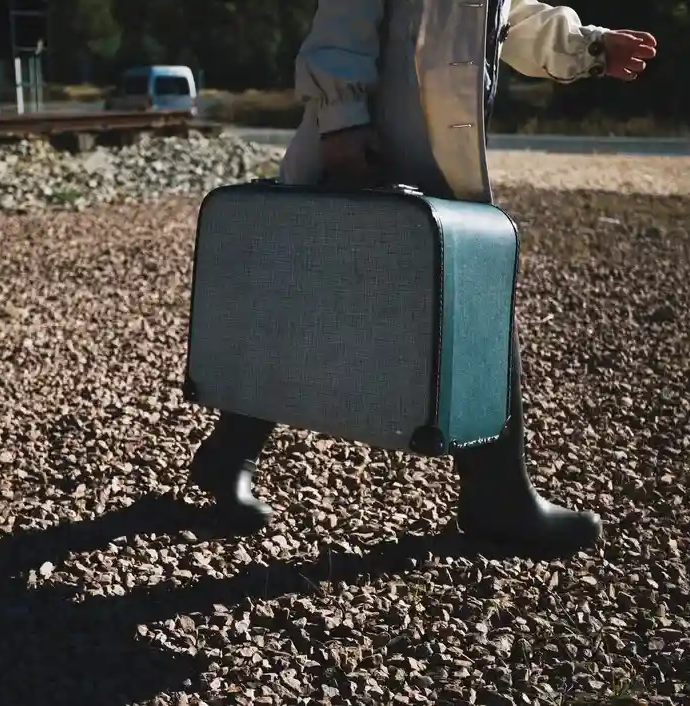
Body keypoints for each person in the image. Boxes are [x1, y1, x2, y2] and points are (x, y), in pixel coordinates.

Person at [189, 0, 657, 554]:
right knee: (319, 300)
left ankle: (495, 492)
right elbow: (346, 16)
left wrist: (589, 45)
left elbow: (513, 17)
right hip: (370, 144)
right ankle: (495, 495)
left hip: (430, 149)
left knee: (457, 297)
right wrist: (341, 118)